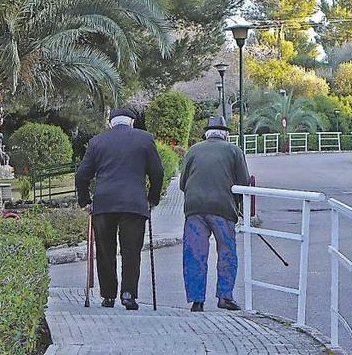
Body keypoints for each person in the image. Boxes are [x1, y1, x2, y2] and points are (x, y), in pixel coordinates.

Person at [75, 107, 164, 310]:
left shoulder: (97, 141)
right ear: (132, 122)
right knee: (131, 250)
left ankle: (108, 296)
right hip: (134, 204)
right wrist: (153, 199)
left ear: (110, 123)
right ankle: (128, 294)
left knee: (105, 251)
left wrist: (85, 202)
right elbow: (157, 172)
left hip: (104, 204)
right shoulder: (145, 139)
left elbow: (82, 175)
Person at [179, 116, 249, 312]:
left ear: (207, 134)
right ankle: (225, 297)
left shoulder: (193, 150)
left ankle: (197, 300)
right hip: (222, 209)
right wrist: (239, 208)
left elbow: (182, 183)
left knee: (195, 254)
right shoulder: (234, 151)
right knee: (227, 252)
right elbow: (243, 184)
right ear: (225, 134)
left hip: (194, 209)